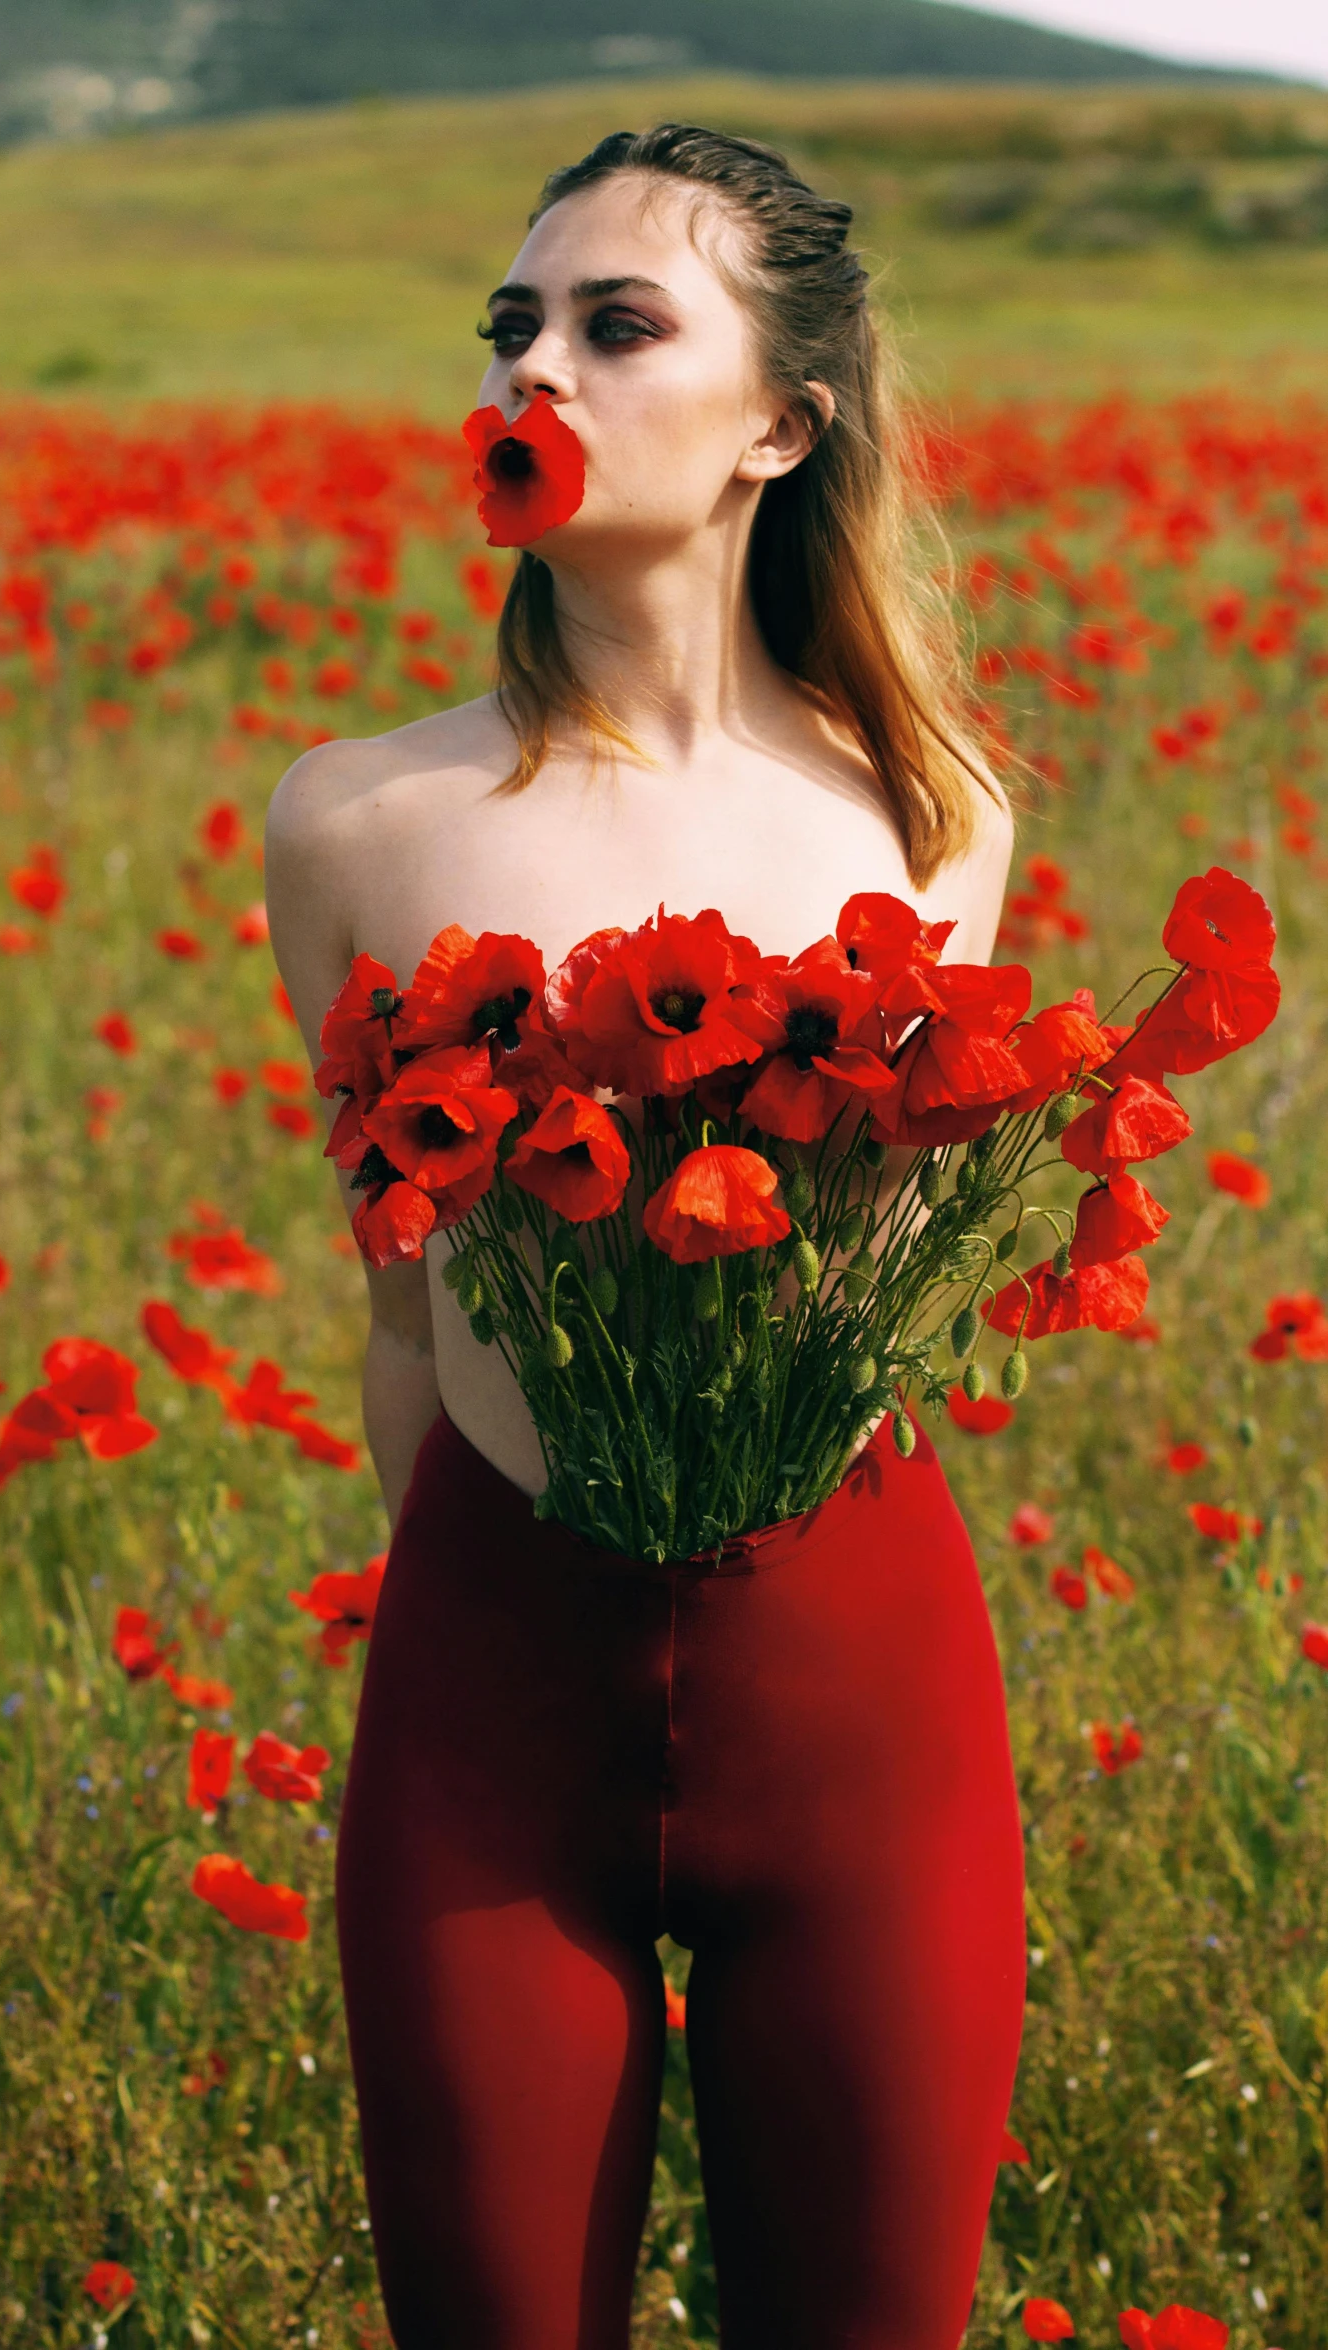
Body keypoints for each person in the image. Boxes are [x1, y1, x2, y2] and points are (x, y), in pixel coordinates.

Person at [266, 123, 1025, 2350]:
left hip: (860, 1677)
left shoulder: (935, 808)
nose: (541, 369)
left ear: (781, 424)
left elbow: (883, 1282)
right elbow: (402, 1295)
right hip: (496, 1681)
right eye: (513, 327)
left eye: (616, 325)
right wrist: (508, 1612)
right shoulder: (360, 819)